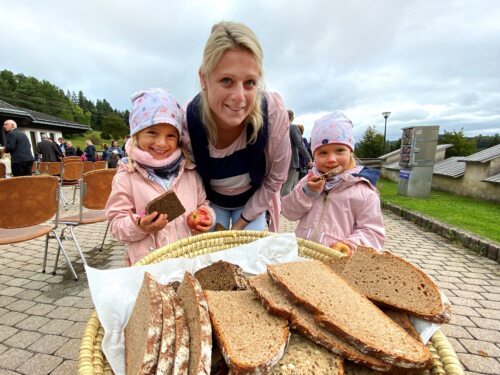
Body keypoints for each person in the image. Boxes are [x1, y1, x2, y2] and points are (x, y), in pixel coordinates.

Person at [182, 21, 291, 231]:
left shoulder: (274, 112)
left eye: (250, 82)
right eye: (226, 80)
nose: (239, 98)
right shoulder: (188, 121)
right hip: (210, 204)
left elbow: (276, 178)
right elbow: (187, 180)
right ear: (204, 79)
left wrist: (242, 222)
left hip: (254, 202)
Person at [105, 88, 214, 265]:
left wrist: (207, 216)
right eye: (152, 132)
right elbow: (116, 224)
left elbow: (204, 204)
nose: (162, 143)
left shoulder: (188, 170)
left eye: (171, 135)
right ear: (136, 134)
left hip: (189, 260)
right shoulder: (127, 174)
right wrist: (139, 225)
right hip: (149, 265)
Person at [281, 111, 385, 255]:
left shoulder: (364, 190)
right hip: (302, 255)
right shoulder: (308, 180)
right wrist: (307, 193)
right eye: (322, 153)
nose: (331, 159)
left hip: (337, 262)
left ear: (350, 152)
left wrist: (350, 245)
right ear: (314, 155)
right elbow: (288, 213)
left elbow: (373, 233)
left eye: (340, 150)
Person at [280, 110, 312, 197]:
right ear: (292, 118)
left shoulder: (278, 128)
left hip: (279, 160)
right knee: (288, 185)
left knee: (279, 186)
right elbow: (300, 145)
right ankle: (284, 208)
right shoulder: (292, 127)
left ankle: (277, 207)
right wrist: (309, 159)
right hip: (291, 161)